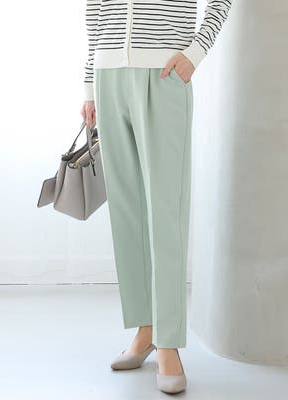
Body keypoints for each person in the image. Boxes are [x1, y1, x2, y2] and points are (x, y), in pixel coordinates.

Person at [80, 0, 232, 394]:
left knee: (166, 212)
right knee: (127, 212)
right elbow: (94, 10)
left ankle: (168, 343)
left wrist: (195, 52)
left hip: (164, 73)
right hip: (109, 74)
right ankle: (146, 329)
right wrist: (89, 84)